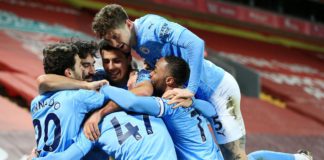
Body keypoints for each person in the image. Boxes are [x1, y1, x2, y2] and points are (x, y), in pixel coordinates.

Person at [92, 4, 246, 159]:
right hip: (195, 95)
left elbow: (196, 43)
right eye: (108, 40)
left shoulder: (152, 27)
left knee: (234, 155)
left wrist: (191, 90)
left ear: (128, 24)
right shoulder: (135, 42)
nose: (114, 43)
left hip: (218, 90)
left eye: (115, 36)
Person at [30, 41, 177, 160]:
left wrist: (99, 114)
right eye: (84, 65)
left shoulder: (35, 102)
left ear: (128, 60)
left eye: (116, 61)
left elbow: (141, 94)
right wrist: (87, 85)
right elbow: (43, 80)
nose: (92, 71)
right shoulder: (88, 89)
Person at [94, 56, 222, 160]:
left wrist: (103, 87)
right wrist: (194, 102)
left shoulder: (170, 103)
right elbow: (211, 111)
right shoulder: (185, 96)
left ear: (169, 81)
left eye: (155, 71)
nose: (150, 75)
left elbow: (132, 102)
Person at [30, 42, 107, 157]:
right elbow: (117, 99)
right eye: (82, 65)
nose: (87, 70)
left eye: (93, 65)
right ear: (69, 72)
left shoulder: (35, 102)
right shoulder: (80, 96)